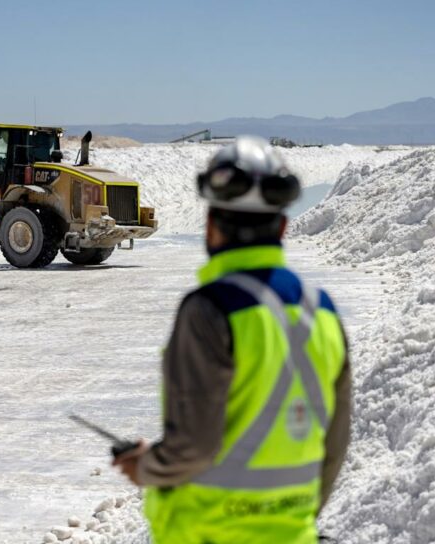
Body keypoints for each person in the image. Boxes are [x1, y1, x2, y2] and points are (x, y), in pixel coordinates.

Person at [113, 137, 352, 544]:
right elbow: (334, 444)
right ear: (282, 226)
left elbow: (195, 448)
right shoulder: (323, 310)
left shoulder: (208, 311)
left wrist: (146, 466)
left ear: (210, 226)